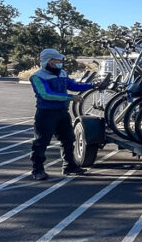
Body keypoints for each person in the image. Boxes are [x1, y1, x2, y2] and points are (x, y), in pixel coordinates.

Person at [30, 48, 95, 180]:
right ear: (49, 61)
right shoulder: (37, 77)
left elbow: (74, 86)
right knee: (41, 142)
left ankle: (69, 166)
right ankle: (37, 170)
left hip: (62, 112)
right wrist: (70, 98)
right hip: (46, 114)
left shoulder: (62, 73)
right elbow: (46, 95)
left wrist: (93, 85)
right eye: (57, 60)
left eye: (60, 60)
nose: (60, 62)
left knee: (68, 139)